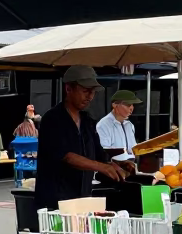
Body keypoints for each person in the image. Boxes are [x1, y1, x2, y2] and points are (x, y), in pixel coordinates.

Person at [34, 65, 125, 210]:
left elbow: (99, 153)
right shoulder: (52, 119)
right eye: (85, 91)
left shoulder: (87, 121)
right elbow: (66, 156)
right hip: (55, 201)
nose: (90, 96)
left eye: (93, 92)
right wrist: (102, 167)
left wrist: (116, 166)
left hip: (82, 198)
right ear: (68, 89)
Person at [95, 90, 142, 167]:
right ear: (115, 105)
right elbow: (104, 152)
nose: (131, 108)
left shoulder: (130, 125)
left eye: (132, 105)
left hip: (130, 166)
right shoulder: (103, 124)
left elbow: (133, 148)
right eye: (128, 105)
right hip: (114, 167)